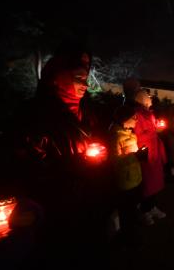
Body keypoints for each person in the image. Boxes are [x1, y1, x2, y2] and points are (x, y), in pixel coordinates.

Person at [9, 40, 111, 267]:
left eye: (86, 77)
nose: (85, 84)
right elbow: (28, 167)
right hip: (57, 214)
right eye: (78, 77)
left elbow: (101, 142)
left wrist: (102, 154)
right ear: (57, 76)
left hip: (90, 204)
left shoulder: (88, 113)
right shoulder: (36, 115)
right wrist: (76, 167)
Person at [109, 105, 146, 248]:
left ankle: (133, 234)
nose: (137, 120)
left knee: (133, 210)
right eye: (134, 117)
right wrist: (135, 156)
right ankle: (128, 239)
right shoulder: (116, 135)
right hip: (125, 181)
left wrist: (140, 156)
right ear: (125, 119)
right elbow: (114, 161)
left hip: (136, 177)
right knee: (127, 212)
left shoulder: (131, 133)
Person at [132, 89, 167, 226]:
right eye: (148, 96)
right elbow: (138, 135)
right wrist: (152, 133)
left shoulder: (149, 113)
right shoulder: (138, 114)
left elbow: (152, 129)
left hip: (155, 151)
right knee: (148, 183)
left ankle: (152, 207)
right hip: (147, 153)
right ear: (142, 99)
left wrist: (157, 128)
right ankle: (145, 210)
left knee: (155, 181)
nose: (151, 98)